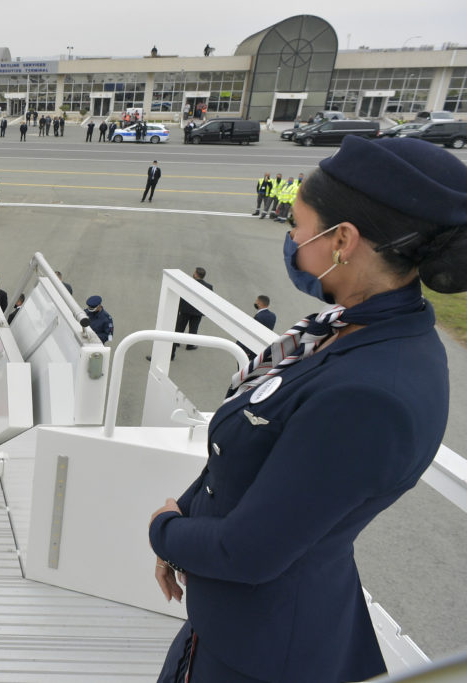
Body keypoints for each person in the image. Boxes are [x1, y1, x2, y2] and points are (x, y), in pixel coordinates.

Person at [149, 136, 467, 683]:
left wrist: (165, 530)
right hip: (232, 621)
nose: (291, 237)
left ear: (342, 239)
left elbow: (248, 552)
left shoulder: (371, 394)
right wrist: (190, 514)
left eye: (296, 223)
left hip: (263, 652)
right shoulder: (348, 330)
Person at [171, 267, 213, 359]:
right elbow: (209, 299)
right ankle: (190, 344)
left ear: (196, 274)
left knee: (180, 327)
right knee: (193, 328)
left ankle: (176, 342)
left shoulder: (188, 282)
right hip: (197, 311)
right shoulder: (209, 286)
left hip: (185, 310)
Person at [238, 294, 278, 359]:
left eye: (256, 301)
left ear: (259, 303)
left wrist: (247, 351)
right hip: (261, 349)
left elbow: (253, 333)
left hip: (251, 350)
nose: (255, 303)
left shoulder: (259, 317)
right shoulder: (273, 316)